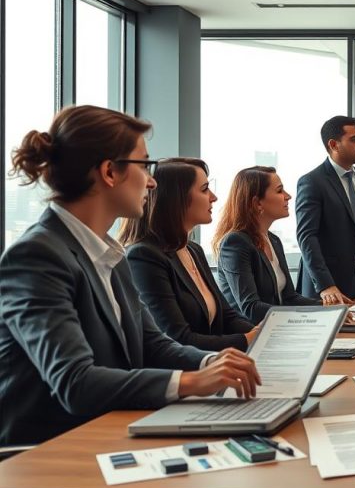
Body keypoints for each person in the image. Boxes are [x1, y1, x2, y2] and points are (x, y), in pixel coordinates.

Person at [0, 106, 259, 446]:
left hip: (111, 430)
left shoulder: (109, 253)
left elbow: (152, 343)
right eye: (145, 165)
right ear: (109, 172)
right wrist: (192, 382)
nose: (152, 180)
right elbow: (75, 382)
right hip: (50, 453)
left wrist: (214, 362)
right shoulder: (37, 256)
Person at [120, 158, 258, 351]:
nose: (214, 197)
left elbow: (227, 316)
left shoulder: (193, 250)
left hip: (216, 366)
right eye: (204, 189)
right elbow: (178, 339)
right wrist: (247, 339)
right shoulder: (144, 256)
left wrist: (262, 333)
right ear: (176, 199)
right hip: (187, 374)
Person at [295, 115, 355, 305]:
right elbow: (307, 237)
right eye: (354, 140)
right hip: (330, 287)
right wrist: (325, 285)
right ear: (334, 144)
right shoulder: (312, 182)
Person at [212, 166, 321, 324]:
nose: (288, 196)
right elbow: (251, 308)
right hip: (250, 337)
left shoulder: (274, 240)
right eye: (279, 191)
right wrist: (308, 316)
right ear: (257, 203)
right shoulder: (235, 243)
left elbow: (290, 298)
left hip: (277, 329)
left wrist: (330, 309)